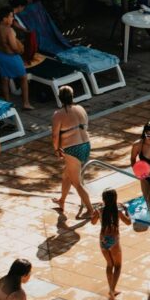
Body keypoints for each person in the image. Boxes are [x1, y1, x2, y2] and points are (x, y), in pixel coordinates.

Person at [50, 86, 93, 218]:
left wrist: (56, 149)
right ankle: (62, 200)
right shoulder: (80, 108)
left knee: (76, 183)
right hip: (86, 145)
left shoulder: (58, 114)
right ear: (72, 96)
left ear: (59, 98)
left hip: (72, 148)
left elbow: (55, 136)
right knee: (66, 175)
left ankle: (91, 211)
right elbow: (86, 126)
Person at [89, 189, 131, 300]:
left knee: (109, 264)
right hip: (114, 240)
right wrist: (126, 210)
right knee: (118, 266)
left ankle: (111, 290)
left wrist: (94, 211)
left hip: (103, 240)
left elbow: (93, 222)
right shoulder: (118, 211)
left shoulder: (100, 210)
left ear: (103, 199)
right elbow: (128, 222)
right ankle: (112, 290)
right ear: (115, 198)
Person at [0, 10, 31, 110]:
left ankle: (7, 102)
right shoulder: (9, 31)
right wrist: (21, 50)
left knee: (4, 79)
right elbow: (14, 47)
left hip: (1, 55)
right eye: (11, 16)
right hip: (12, 56)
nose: (13, 19)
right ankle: (26, 103)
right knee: (23, 78)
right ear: (4, 19)